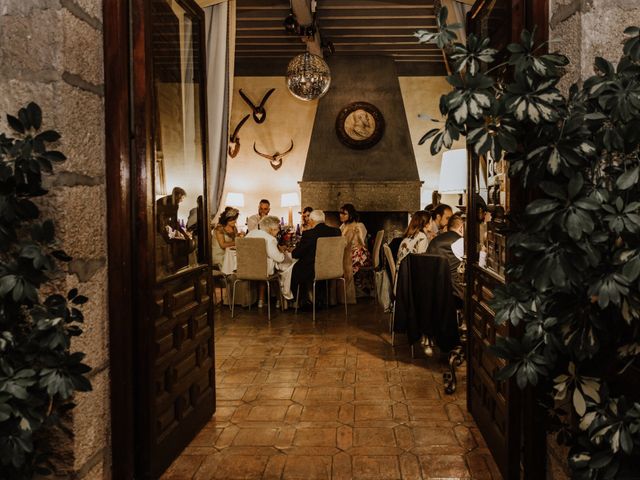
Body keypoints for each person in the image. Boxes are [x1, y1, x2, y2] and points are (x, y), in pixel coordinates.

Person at [290, 210, 341, 306]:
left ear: (312, 221)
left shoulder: (309, 234)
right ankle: (320, 299)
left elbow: (297, 254)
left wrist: (291, 251)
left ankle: (301, 301)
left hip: (313, 270)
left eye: (309, 220)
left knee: (294, 269)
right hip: (332, 268)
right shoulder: (336, 231)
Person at [246, 215, 287, 308]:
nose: (278, 231)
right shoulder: (270, 239)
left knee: (267, 266)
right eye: (277, 229)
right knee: (280, 271)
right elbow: (279, 258)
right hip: (263, 271)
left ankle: (261, 300)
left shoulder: (250, 234)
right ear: (270, 229)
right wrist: (282, 252)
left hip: (247, 270)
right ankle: (279, 300)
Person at [426, 214, 465, 300]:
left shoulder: (434, 240)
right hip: (454, 294)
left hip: (432, 292)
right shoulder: (461, 242)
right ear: (462, 228)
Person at [339, 203, 371, 301]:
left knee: (344, 261)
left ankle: (347, 292)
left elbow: (362, 243)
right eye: (340, 213)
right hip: (347, 251)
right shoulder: (343, 226)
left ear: (351, 215)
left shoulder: (359, 225)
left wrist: (357, 234)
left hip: (359, 253)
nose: (341, 215)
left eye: (344, 214)